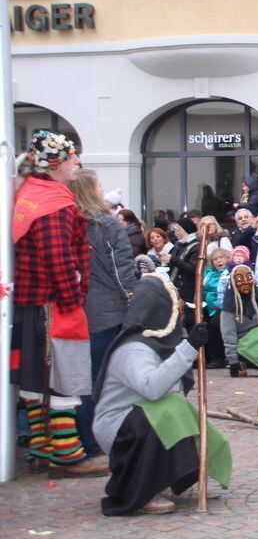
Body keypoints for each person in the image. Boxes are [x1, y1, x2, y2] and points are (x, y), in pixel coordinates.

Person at [92, 275, 229, 515]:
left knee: (179, 411)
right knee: (168, 410)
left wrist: (188, 344)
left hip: (139, 416)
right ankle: (140, 492)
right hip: (120, 426)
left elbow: (171, 390)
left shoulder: (157, 344)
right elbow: (153, 389)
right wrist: (188, 349)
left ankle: (166, 474)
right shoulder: (133, 349)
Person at [12, 131, 107, 477]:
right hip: (53, 306)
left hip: (33, 303)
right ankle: (66, 454)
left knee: (37, 377)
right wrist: (72, 298)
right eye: (72, 158)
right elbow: (57, 257)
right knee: (63, 376)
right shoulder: (54, 205)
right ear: (55, 164)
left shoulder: (31, 195)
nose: (77, 163)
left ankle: (42, 445)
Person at [67, 168, 137, 458]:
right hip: (106, 310)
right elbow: (121, 269)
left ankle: (85, 437)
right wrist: (133, 301)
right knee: (102, 378)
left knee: (83, 378)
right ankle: (97, 440)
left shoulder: (71, 223)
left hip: (77, 309)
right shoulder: (106, 225)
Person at [220, 265, 258, 377]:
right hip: (243, 345)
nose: (245, 282)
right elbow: (228, 336)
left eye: (249, 278)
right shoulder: (230, 305)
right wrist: (233, 362)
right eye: (240, 279)